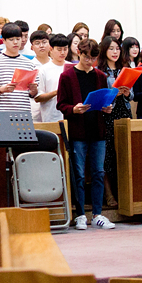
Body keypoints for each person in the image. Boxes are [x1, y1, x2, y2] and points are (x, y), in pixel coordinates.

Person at [56, 38, 115, 230]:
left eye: (93, 58)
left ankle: (97, 214)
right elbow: (61, 104)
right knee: (79, 174)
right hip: (77, 131)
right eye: (86, 57)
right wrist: (73, 109)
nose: (90, 61)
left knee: (98, 172)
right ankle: (80, 214)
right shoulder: (67, 76)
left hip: (97, 130)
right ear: (79, 54)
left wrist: (107, 108)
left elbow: (104, 101)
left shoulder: (100, 76)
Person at [97, 36, 132, 209]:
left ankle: (125, 195)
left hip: (124, 112)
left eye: (117, 48)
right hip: (108, 115)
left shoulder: (124, 69)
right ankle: (109, 194)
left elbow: (132, 96)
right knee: (108, 156)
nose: (115, 52)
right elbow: (98, 98)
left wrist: (126, 93)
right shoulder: (99, 72)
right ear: (104, 50)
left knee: (125, 154)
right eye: (111, 48)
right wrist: (113, 94)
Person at [0, 23, 40, 111]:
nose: (15, 42)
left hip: (23, 112)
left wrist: (33, 90)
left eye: (18, 39)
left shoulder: (30, 64)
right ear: (4, 41)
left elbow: (34, 94)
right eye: (11, 39)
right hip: (1, 112)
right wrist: (2, 89)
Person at [32, 33, 68, 123]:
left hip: (70, 116)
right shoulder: (43, 70)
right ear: (51, 49)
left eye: (65, 49)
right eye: (59, 49)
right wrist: (57, 92)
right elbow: (38, 97)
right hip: (51, 117)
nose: (62, 53)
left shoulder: (71, 67)